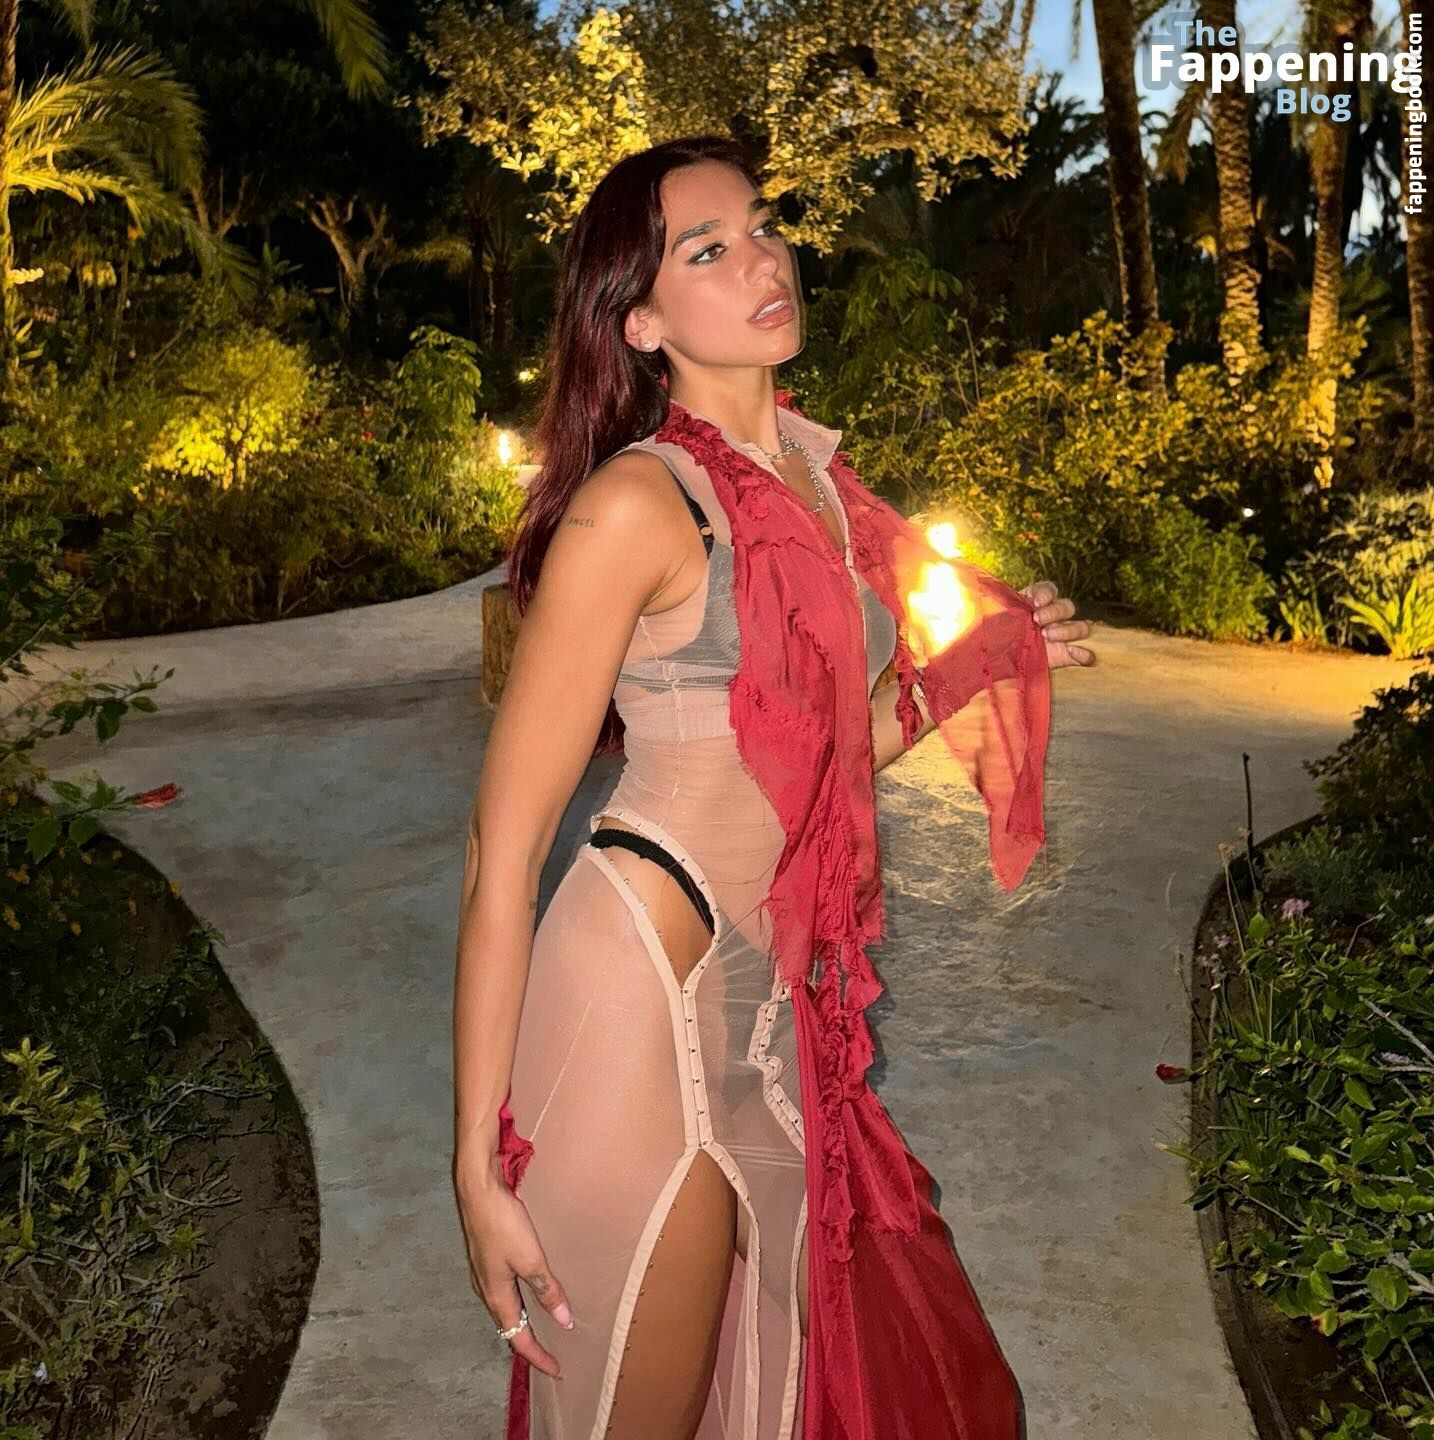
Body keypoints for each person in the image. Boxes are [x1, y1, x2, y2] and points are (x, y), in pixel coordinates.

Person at [452, 134, 1096, 1440]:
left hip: (770, 1013)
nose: (762, 258)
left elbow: (827, 759)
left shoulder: (825, 490)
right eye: (708, 249)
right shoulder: (636, 506)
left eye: (760, 225)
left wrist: (969, 665)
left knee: (796, 1393)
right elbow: (499, 851)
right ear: (639, 322)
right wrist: (474, 1161)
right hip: (634, 991)